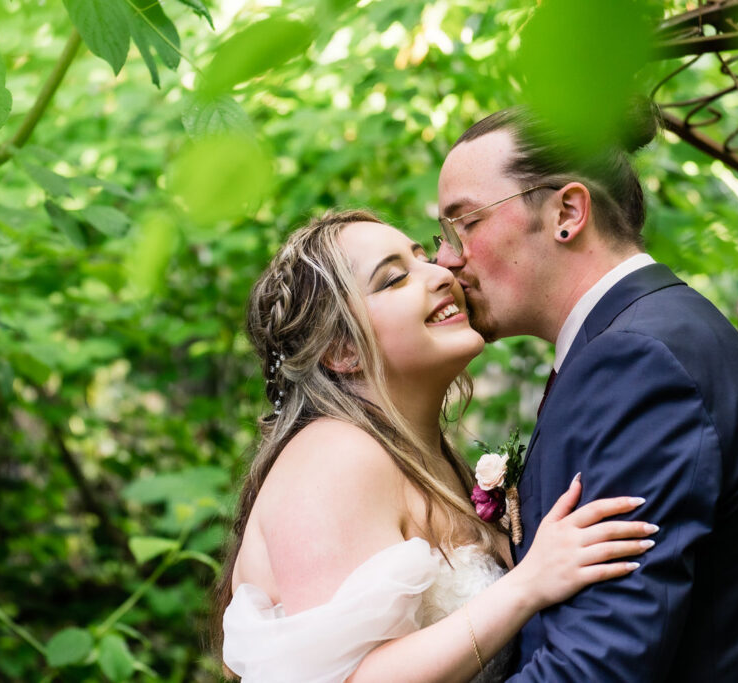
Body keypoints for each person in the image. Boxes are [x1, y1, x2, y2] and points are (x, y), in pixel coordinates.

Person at [434, 108, 738, 681]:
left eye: (466, 224)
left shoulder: (636, 361)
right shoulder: (645, 335)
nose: (447, 259)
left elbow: (595, 664)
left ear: (567, 212)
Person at [210, 210, 659, 682]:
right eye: (395, 278)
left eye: (423, 257)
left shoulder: (428, 459)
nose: (442, 273)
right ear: (343, 351)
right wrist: (529, 584)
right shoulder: (333, 457)